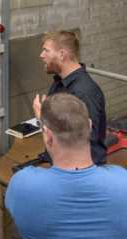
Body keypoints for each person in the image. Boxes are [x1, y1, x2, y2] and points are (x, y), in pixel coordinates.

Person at [6, 93, 127, 239]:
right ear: (90, 127)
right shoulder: (122, 182)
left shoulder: (22, 184)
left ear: (47, 135)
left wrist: (44, 123)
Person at [33, 29, 107, 165]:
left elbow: (84, 143)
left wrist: (41, 120)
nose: (41, 55)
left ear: (62, 54)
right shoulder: (59, 84)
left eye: (46, 50)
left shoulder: (84, 93)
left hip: (79, 174)